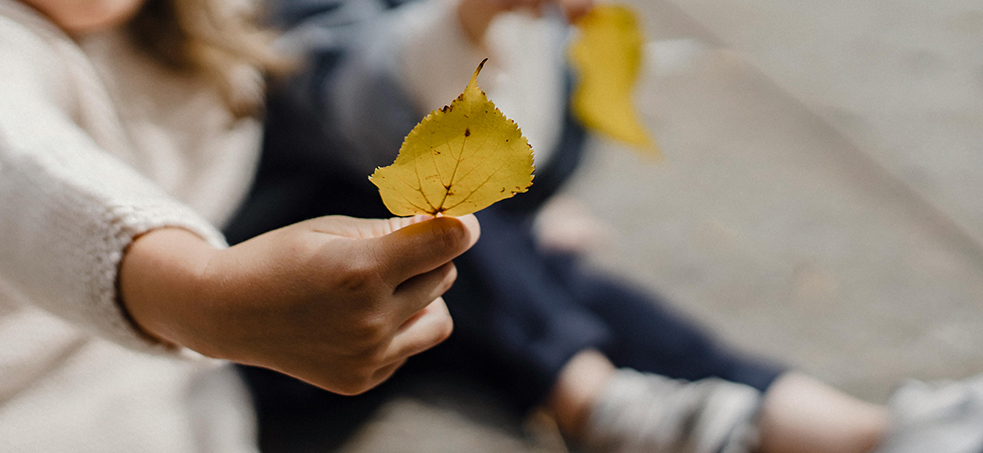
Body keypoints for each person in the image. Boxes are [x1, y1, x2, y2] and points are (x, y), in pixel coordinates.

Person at [224, 0, 890, 452]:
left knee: (541, 268)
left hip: (439, 313)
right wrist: (468, 19)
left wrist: (532, 213)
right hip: (257, 341)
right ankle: (592, 398)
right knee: (436, 211)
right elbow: (323, 95)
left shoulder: (564, 29)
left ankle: (864, 431)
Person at [0, 0, 479, 451]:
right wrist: (201, 292)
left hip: (183, 405)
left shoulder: (208, 25)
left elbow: (338, 91)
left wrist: (472, 23)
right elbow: (24, 170)